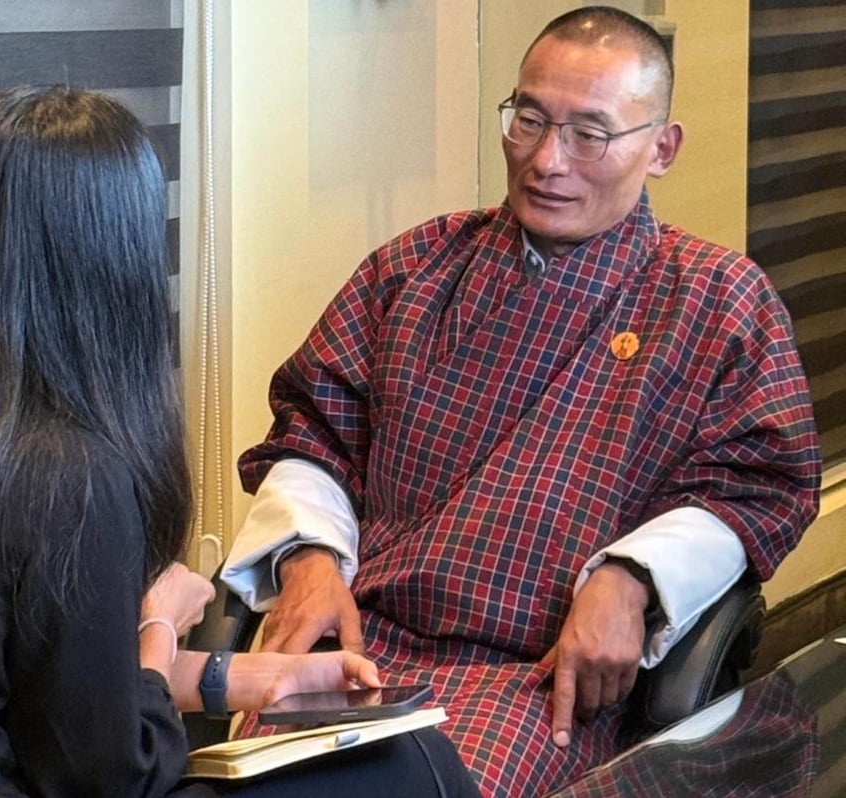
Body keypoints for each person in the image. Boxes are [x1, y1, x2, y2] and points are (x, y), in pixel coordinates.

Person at [221, 6, 822, 797]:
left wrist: (633, 578)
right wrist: (308, 560)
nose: (546, 160)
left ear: (662, 147)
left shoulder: (718, 302)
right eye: (529, 119)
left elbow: (762, 483)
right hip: (359, 647)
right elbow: (313, 430)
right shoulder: (417, 268)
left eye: (589, 133)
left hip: (538, 681)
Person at [0, 86, 479, 798]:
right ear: (117, 261)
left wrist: (256, 679)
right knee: (412, 767)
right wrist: (161, 624)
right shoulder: (67, 475)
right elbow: (113, 776)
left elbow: (37, 689)